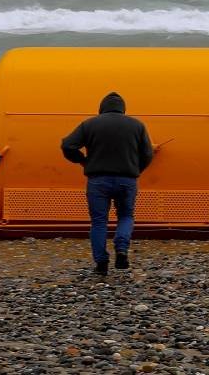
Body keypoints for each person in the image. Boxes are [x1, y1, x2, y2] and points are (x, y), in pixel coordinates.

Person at [61, 92, 153, 275]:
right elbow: (148, 154)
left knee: (98, 222)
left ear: (102, 108)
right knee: (126, 216)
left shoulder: (90, 124)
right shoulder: (137, 125)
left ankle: (101, 263)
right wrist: (135, 169)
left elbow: (67, 145)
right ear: (123, 109)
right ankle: (121, 250)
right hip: (127, 180)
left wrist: (83, 161)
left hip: (98, 180)